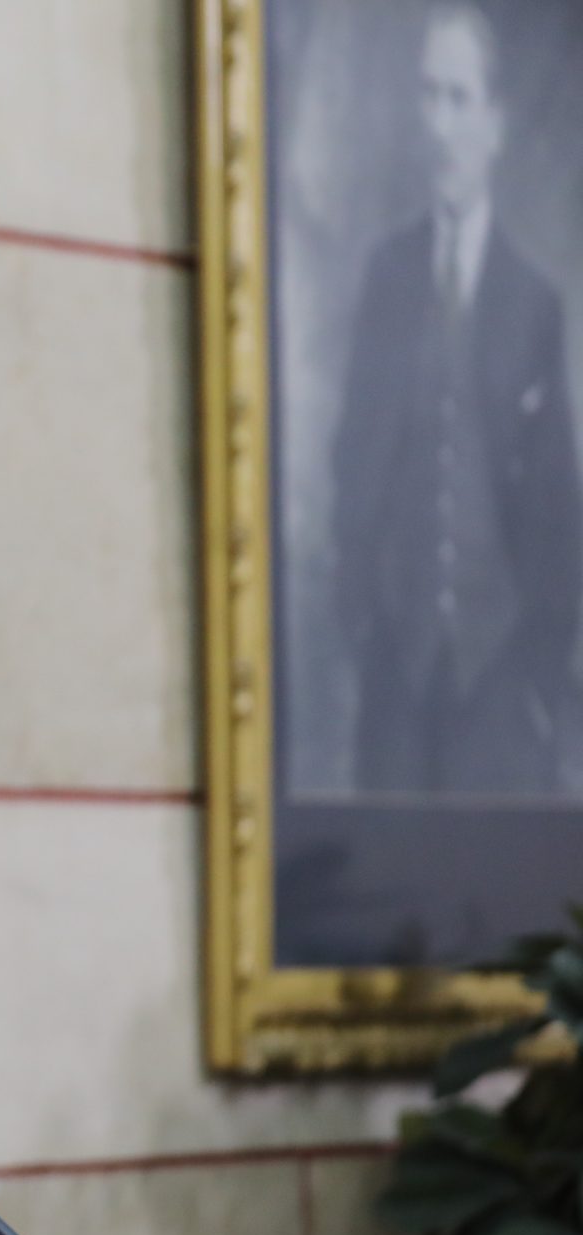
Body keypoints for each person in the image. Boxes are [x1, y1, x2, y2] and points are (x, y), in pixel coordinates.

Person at [332, 0, 582, 796]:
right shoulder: (386, 278)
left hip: (499, 691)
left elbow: (556, 511)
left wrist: (537, 682)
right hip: (395, 691)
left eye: (459, 99)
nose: (439, 126)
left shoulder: (534, 303)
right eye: (428, 96)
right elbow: (351, 466)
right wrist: (367, 628)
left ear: (495, 124)